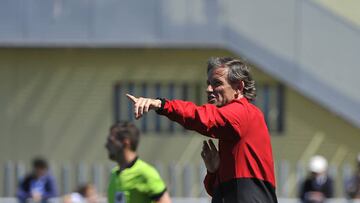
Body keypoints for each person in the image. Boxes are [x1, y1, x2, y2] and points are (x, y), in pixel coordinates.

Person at [126, 57, 277, 202]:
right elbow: (218, 191)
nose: (208, 89)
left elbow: (204, 117)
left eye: (217, 83)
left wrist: (162, 105)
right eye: (208, 83)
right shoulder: (233, 125)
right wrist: (214, 171)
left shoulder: (243, 112)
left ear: (238, 87)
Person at [105, 121, 171, 203]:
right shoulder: (114, 174)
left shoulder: (145, 172)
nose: (106, 145)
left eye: (111, 141)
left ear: (126, 143)